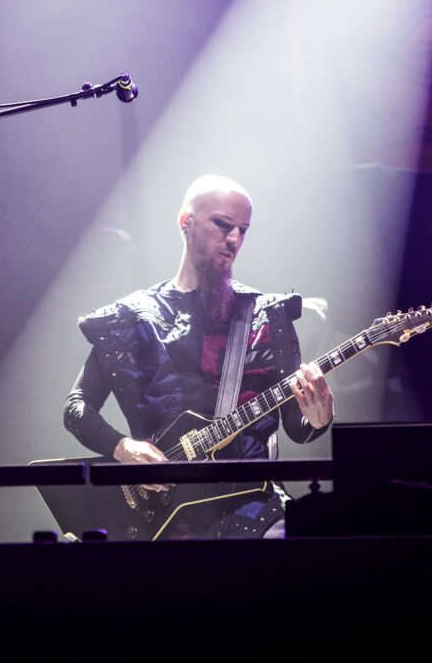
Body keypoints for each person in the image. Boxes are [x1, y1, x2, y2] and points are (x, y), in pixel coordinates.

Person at [63, 175, 333, 539]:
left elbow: (296, 429)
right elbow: (77, 407)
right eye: (223, 225)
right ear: (185, 221)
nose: (234, 240)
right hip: (160, 513)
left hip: (252, 507)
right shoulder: (130, 318)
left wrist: (318, 419)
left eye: (243, 230)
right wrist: (122, 448)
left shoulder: (266, 315)